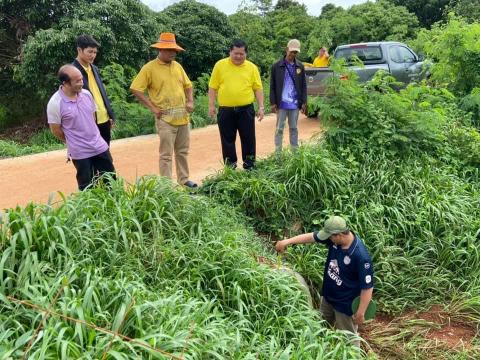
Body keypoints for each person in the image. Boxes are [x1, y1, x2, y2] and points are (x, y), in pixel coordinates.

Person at [275, 216, 374, 346]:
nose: (328, 239)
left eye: (330, 236)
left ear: (338, 235)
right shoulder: (334, 240)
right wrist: (286, 241)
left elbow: (367, 287)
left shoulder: (360, 256)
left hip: (344, 306)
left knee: (349, 339)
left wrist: (361, 312)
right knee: (321, 328)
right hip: (327, 298)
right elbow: (311, 237)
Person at [130, 32, 197, 188]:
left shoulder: (178, 66)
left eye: (174, 50)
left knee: (182, 151)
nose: (173, 53)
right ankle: (167, 186)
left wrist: (190, 101)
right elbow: (136, 88)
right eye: (169, 50)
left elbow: (188, 85)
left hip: (182, 116)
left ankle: (184, 180)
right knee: (166, 155)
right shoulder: (149, 68)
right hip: (165, 118)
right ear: (160, 49)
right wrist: (153, 107)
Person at [47, 64, 115, 191]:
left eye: (82, 79)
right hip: (80, 152)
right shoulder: (55, 103)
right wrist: (73, 141)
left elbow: (93, 117)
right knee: (87, 186)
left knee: (110, 179)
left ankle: (113, 207)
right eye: (77, 81)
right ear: (65, 83)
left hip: (99, 145)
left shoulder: (87, 94)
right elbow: (55, 130)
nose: (82, 83)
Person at [208, 39, 264, 170]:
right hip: (225, 110)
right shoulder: (220, 65)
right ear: (230, 52)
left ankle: (250, 166)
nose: (238, 56)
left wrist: (261, 107)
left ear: (246, 54)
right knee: (227, 140)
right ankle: (230, 167)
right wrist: (211, 105)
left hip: (246, 110)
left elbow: (258, 88)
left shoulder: (252, 67)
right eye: (235, 53)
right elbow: (212, 87)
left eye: (241, 54)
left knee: (248, 138)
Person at [72, 34, 115, 145]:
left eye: (95, 52)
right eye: (90, 52)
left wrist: (110, 115)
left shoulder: (94, 68)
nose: (93, 55)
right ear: (79, 50)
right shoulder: (71, 71)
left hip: (104, 121)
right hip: (87, 123)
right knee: (92, 158)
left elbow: (101, 93)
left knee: (105, 157)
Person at [270, 39, 307, 152]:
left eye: (295, 52)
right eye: (291, 51)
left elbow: (303, 85)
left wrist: (304, 102)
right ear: (286, 50)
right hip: (281, 104)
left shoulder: (300, 66)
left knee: (293, 128)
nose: (293, 54)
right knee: (279, 128)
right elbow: (272, 85)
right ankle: (278, 153)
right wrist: (273, 102)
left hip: (294, 104)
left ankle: (295, 152)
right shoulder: (276, 66)